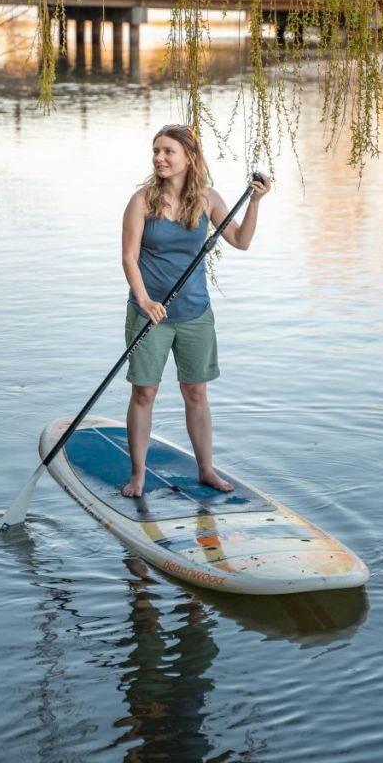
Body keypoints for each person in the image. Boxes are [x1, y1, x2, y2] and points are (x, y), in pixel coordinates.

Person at [121, 122, 270, 497]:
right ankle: (138, 474)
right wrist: (144, 300)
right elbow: (128, 258)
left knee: (196, 393)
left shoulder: (207, 199)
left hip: (194, 313)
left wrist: (254, 202)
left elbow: (241, 241)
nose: (160, 158)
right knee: (144, 393)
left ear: (188, 157)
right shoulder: (142, 201)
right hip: (149, 313)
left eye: (168, 151)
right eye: (156, 151)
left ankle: (206, 469)